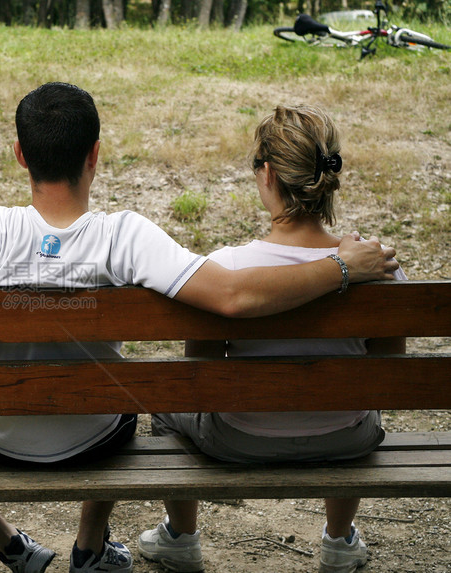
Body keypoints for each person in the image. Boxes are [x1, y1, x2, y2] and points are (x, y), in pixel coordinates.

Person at [0, 85, 398, 573]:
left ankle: (9, 544)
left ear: (19, 155)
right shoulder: (125, 234)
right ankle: (90, 546)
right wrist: (344, 265)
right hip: (101, 438)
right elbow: (229, 295)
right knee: (116, 393)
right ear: (96, 154)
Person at [138, 104, 407, 573]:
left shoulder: (229, 268)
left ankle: (180, 537)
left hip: (239, 438)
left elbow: (200, 374)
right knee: (363, 391)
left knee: (169, 402)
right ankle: (340, 542)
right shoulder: (378, 266)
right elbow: (387, 368)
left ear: (267, 175)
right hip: (348, 437)